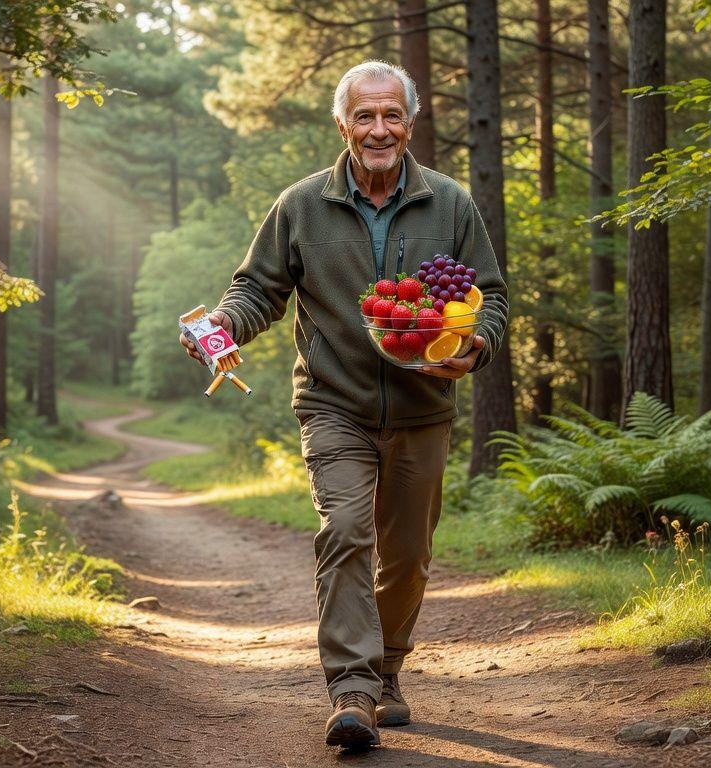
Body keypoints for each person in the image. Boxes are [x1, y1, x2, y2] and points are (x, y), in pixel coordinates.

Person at [179, 60, 508, 750]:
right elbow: (258, 290)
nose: (378, 129)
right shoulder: (301, 205)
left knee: (408, 556)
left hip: (423, 404)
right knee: (347, 530)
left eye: (391, 115)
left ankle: (387, 669)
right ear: (342, 124)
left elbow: (490, 294)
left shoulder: (450, 203)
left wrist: (476, 344)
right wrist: (223, 325)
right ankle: (352, 690)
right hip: (333, 404)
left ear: (410, 124)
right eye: (365, 116)